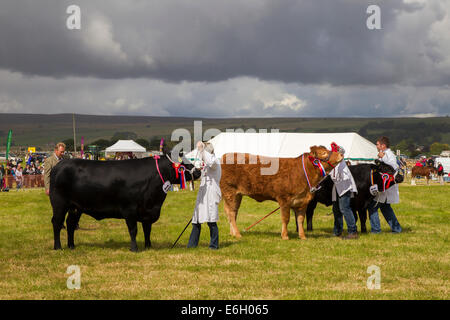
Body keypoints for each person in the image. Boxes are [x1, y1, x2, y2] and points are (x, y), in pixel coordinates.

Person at [187, 141, 222, 250]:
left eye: (203, 153)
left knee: (211, 221)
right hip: (203, 193)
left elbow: (210, 161)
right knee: (196, 220)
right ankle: (192, 245)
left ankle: (213, 245)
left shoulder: (215, 161)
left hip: (211, 193)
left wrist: (202, 150)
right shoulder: (206, 164)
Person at [368, 136, 402, 233]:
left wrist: (383, 158)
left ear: (383, 145)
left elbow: (394, 166)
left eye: (377, 144)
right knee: (386, 208)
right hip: (383, 186)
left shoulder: (389, 154)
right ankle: (397, 229)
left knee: (372, 207)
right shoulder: (385, 154)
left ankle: (376, 230)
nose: (376, 146)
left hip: (386, 186)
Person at [329, 143, 359, 239]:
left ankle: (353, 231)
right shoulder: (335, 163)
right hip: (338, 188)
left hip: (344, 188)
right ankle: (337, 231)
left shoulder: (340, 163)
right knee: (336, 210)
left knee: (345, 209)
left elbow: (337, 176)